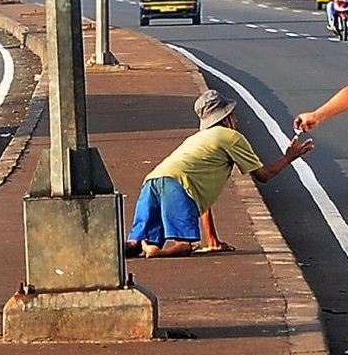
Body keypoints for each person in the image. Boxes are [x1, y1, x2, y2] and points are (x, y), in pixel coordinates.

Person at [125, 89, 314, 258]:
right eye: (233, 114)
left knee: (135, 243)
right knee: (183, 246)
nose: (237, 120)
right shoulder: (231, 137)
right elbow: (264, 175)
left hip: (153, 180)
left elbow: (201, 201)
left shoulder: (197, 138)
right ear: (226, 117)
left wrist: (213, 241)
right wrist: (289, 157)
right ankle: (157, 253)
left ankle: (118, 253)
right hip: (177, 186)